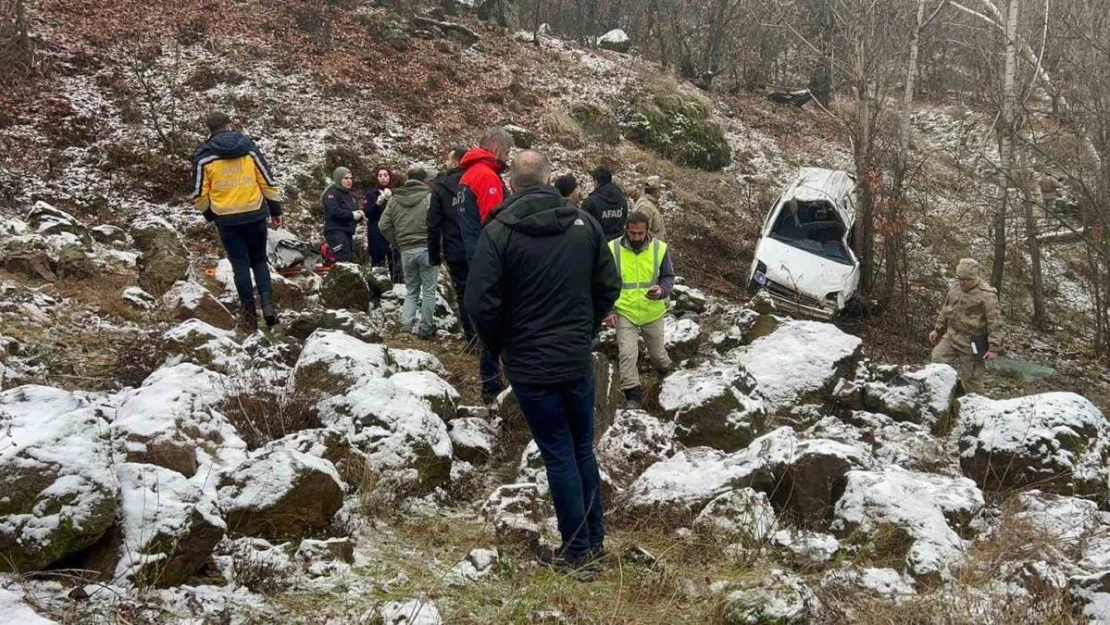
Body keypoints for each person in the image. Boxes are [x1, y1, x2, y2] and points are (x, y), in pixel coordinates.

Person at [466, 149, 621, 575]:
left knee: (559, 453)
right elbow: (609, 285)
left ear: (512, 183)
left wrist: (500, 346)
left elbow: (480, 303)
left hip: (532, 362)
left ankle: (578, 553)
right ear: (550, 180)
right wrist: (584, 328)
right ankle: (592, 544)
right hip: (572, 358)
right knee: (580, 449)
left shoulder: (498, 231)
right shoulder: (583, 224)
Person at [191, 111, 283, 331]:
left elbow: (199, 193)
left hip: (227, 219)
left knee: (240, 265)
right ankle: (268, 307)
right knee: (259, 260)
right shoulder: (248, 147)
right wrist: (275, 210)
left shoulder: (204, 156)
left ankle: (249, 315)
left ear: (209, 129)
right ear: (229, 125)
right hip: (254, 212)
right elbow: (266, 180)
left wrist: (209, 214)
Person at [456, 127, 514, 402]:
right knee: (498, 323)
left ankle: (492, 384)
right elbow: (496, 224)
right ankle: (494, 387)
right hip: (490, 262)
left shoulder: (467, 175)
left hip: (475, 259)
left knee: (488, 322)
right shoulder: (485, 176)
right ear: (496, 149)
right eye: (507, 152)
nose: (507, 157)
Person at [605, 212, 675, 409]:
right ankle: (633, 399)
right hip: (624, 311)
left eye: (640, 233)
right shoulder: (612, 249)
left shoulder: (659, 249)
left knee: (658, 355)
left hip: (651, 312)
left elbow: (668, 276)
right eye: (632, 233)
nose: (636, 237)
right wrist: (609, 311)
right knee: (627, 355)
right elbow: (603, 282)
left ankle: (667, 375)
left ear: (647, 231)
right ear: (626, 230)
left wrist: (662, 290)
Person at [929, 258, 1004, 394]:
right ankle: (942, 395)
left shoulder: (986, 295)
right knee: (936, 361)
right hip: (952, 336)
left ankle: (977, 408)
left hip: (971, 342)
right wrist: (937, 329)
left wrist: (994, 348)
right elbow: (946, 308)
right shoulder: (955, 288)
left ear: (974, 277)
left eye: (965, 279)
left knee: (971, 380)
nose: (961, 282)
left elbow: (995, 323)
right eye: (959, 278)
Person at [381, 168, 438, 339]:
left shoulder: (394, 200)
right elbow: (437, 223)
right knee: (429, 290)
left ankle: (406, 326)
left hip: (406, 251)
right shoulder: (429, 198)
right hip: (427, 248)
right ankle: (426, 328)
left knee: (411, 290)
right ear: (424, 180)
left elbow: (383, 225)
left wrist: (399, 243)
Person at [427, 146, 475, 342]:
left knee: (463, 293)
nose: (445, 164)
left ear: (456, 162)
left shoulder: (441, 187)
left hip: (455, 248)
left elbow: (433, 224)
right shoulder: (476, 180)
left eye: (448, 159)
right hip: (479, 245)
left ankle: (472, 338)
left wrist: (434, 254)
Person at [364, 166, 402, 282]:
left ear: (390, 177)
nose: (383, 178)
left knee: (396, 265)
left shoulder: (396, 193)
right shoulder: (371, 194)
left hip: (393, 234)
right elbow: (367, 213)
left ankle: (398, 288)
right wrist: (377, 203)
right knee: (378, 267)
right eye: (380, 176)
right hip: (376, 233)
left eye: (385, 175)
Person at [322, 167, 364, 263]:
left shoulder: (350, 196)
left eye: (350, 178)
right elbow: (334, 211)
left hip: (348, 232)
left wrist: (359, 215)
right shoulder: (331, 194)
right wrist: (351, 215)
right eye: (346, 178)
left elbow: (352, 213)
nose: (349, 181)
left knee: (348, 259)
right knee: (343, 258)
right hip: (335, 231)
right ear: (339, 179)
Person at [581, 166, 629, 241]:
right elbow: (624, 219)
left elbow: (584, 228)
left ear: (596, 182)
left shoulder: (590, 202)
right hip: (619, 245)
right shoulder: (622, 199)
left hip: (598, 246)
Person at [633, 175, 667, 240]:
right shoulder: (645, 207)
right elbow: (642, 233)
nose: (661, 192)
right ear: (656, 190)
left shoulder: (651, 204)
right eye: (660, 189)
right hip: (650, 248)